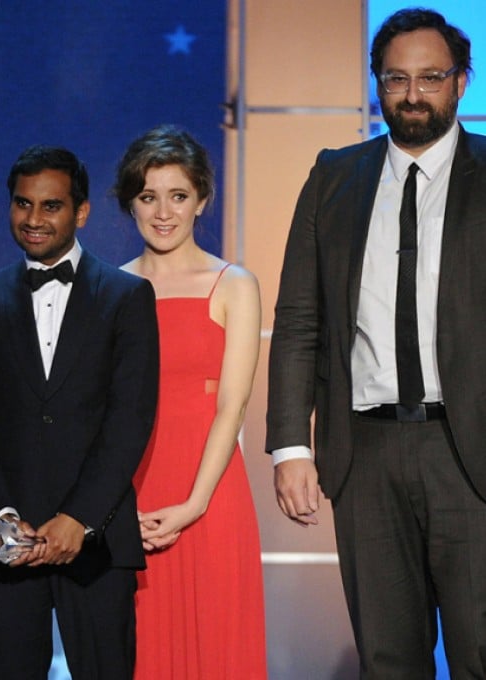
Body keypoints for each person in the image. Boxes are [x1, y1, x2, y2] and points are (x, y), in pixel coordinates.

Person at [267, 8, 486, 677]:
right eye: (396, 79)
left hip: (472, 450)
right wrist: (291, 446)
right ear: (376, 84)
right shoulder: (335, 177)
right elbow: (300, 317)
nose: (413, 94)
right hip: (365, 452)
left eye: (431, 77)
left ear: (461, 82)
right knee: (389, 659)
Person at [0, 145, 159, 680]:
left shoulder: (127, 297)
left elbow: (129, 421)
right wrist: (3, 517)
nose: (34, 219)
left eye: (51, 206)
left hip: (96, 541)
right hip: (8, 546)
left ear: (80, 212)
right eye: (23, 204)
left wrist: (79, 519)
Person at [113, 125, 267, 678]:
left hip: (212, 495)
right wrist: (112, 506)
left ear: (201, 200)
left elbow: (234, 405)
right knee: (139, 651)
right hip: (129, 497)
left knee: (218, 648)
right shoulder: (110, 287)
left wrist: (195, 503)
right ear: (128, 201)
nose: (163, 212)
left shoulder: (234, 284)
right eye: (148, 196)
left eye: (177, 196)